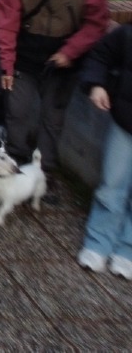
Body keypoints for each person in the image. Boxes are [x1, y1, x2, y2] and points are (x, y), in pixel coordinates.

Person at [0, 0, 109, 175]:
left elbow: (97, 22)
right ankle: (16, 162)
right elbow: (5, 27)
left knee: (53, 120)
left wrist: (70, 51)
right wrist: (6, 65)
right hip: (24, 57)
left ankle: (44, 172)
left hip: (63, 60)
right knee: (18, 113)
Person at [77, 24, 132, 276]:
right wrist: (96, 85)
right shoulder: (127, 33)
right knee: (112, 186)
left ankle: (127, 250)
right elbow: (100, 55)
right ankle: (98, 244)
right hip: (125, 120)